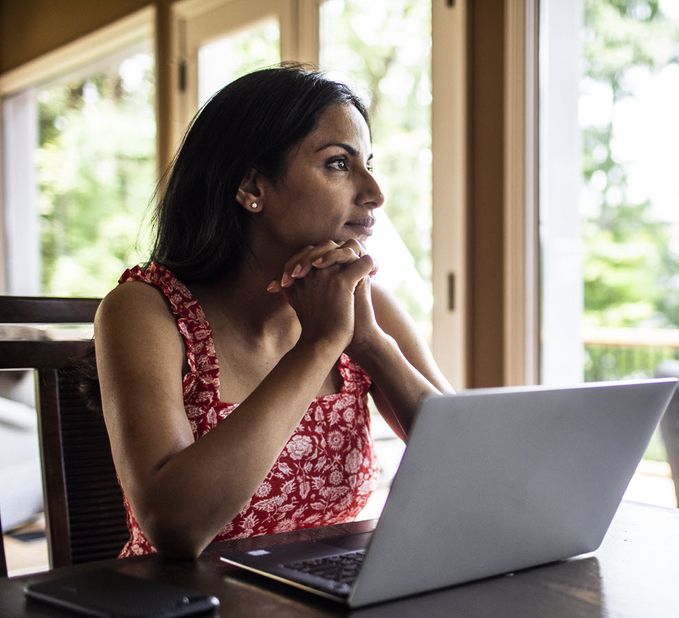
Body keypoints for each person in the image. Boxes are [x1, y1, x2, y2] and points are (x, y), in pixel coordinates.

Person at [94, 65, 452, 560]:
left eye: (369, 163)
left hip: (325, 594)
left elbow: (468, 464)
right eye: (338, 164)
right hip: (186, 601)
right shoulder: (146, 311)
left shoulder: (365, 304)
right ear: (252, 188)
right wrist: (320, 344)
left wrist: (367, 342)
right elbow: (174, 525)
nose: (374, 192)